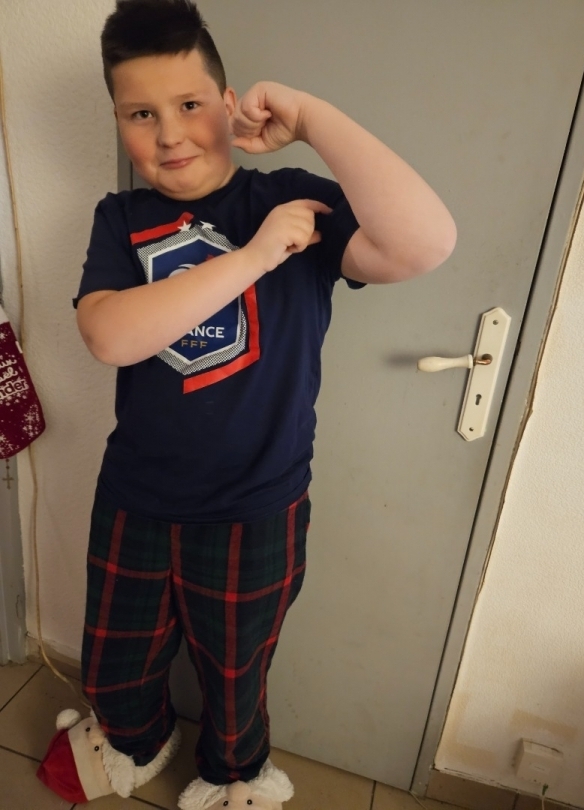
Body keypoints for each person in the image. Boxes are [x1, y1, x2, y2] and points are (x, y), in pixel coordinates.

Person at [41, 1, 456, 807]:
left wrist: (312, 118)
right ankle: (133, 741)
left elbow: (424, 241)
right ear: (119, 121)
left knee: (237, 671)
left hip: (256, 507)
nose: (169, 134)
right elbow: (109, 336)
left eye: (190, 104)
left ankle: (237, 775)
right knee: (115, 660)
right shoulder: (120, 218)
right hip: (135, 498)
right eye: (140, 114)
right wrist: (258, 256)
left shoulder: (291, 195)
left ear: (229, 104)